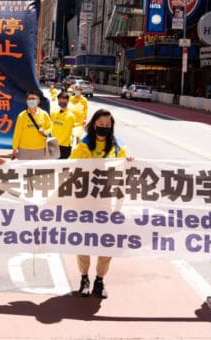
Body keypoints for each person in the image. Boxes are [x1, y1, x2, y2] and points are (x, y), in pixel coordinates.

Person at [69, 108, 132, 299]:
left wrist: (128, 161)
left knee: (106, 242)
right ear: (94, 124)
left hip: (107, 201)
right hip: (85, 201)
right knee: (84, 241)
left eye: (107, 125)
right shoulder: (83, 146)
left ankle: (99, 279)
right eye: (100, 124)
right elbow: (69, 167)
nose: (103, 127)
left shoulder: (118, 147)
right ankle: (84, 278)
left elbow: (125, 167)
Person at [11, 89, 52, 160]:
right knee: (23, 170)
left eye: (33, 99)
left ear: (38, 101)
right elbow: (17, 133)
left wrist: (45, 132)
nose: (31, 101)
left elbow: (51, 127)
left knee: (37, 170)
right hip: (24, 150)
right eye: (29, 99)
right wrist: (15, 149)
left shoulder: (44, 114)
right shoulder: (22, 115)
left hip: (39, 149)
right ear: (26, 101)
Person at [51, 92, 75, 159]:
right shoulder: (55, 113)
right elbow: (52, 127)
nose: (61, 101)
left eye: (63, 99)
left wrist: (57, 143)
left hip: (64, 145)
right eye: (59, 99)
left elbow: (67, 133)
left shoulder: (70, 116)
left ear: (67, 101)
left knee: (63, 167)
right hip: (54, 144)